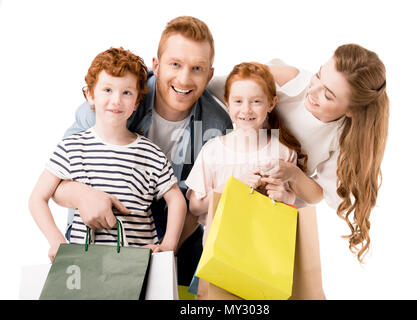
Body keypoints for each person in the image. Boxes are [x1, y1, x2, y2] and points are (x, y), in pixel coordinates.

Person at [51, 16, 233, 285]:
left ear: (209, 75)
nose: (184, 78)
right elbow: (56, 179)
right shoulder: (119, 96)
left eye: (197, 68)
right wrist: (81, 194)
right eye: (175, 64)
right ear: (156, 65)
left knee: (185, 282)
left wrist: (164, 249)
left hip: (176, 224)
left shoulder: (218, 125)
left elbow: (199, 206)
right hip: (106, 221)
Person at [210, 44, 389, 263]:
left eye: (328, 95)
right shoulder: (288, 82)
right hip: (228, 184)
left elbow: (319, 194)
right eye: (318, 76)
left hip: (272, 212)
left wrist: (293, 175)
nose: (312, 92)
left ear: (351, 111)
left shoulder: (343, 138)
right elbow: (216, 87)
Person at [29, 47, 187, 262]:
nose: (116, 100)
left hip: (138, 266)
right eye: (107, 90)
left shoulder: (151, 153)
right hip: (85, 265)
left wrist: (168, 245)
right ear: (90, 95)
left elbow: (176, 199)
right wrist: (56, 240)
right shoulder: (72, 147)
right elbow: (37, 198)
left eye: (126, 93)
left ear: (137, 103)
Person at [184, 62, 323, 295]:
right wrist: (231, 187)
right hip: (219, 260)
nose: (246, 110)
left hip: (267, 262)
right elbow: (195, 205)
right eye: (238, 101)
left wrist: (284, 196)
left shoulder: (282, 153)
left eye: (256, 101)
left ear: (271, 104)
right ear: (227, 103)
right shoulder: (213, 150)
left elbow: (293, 209)